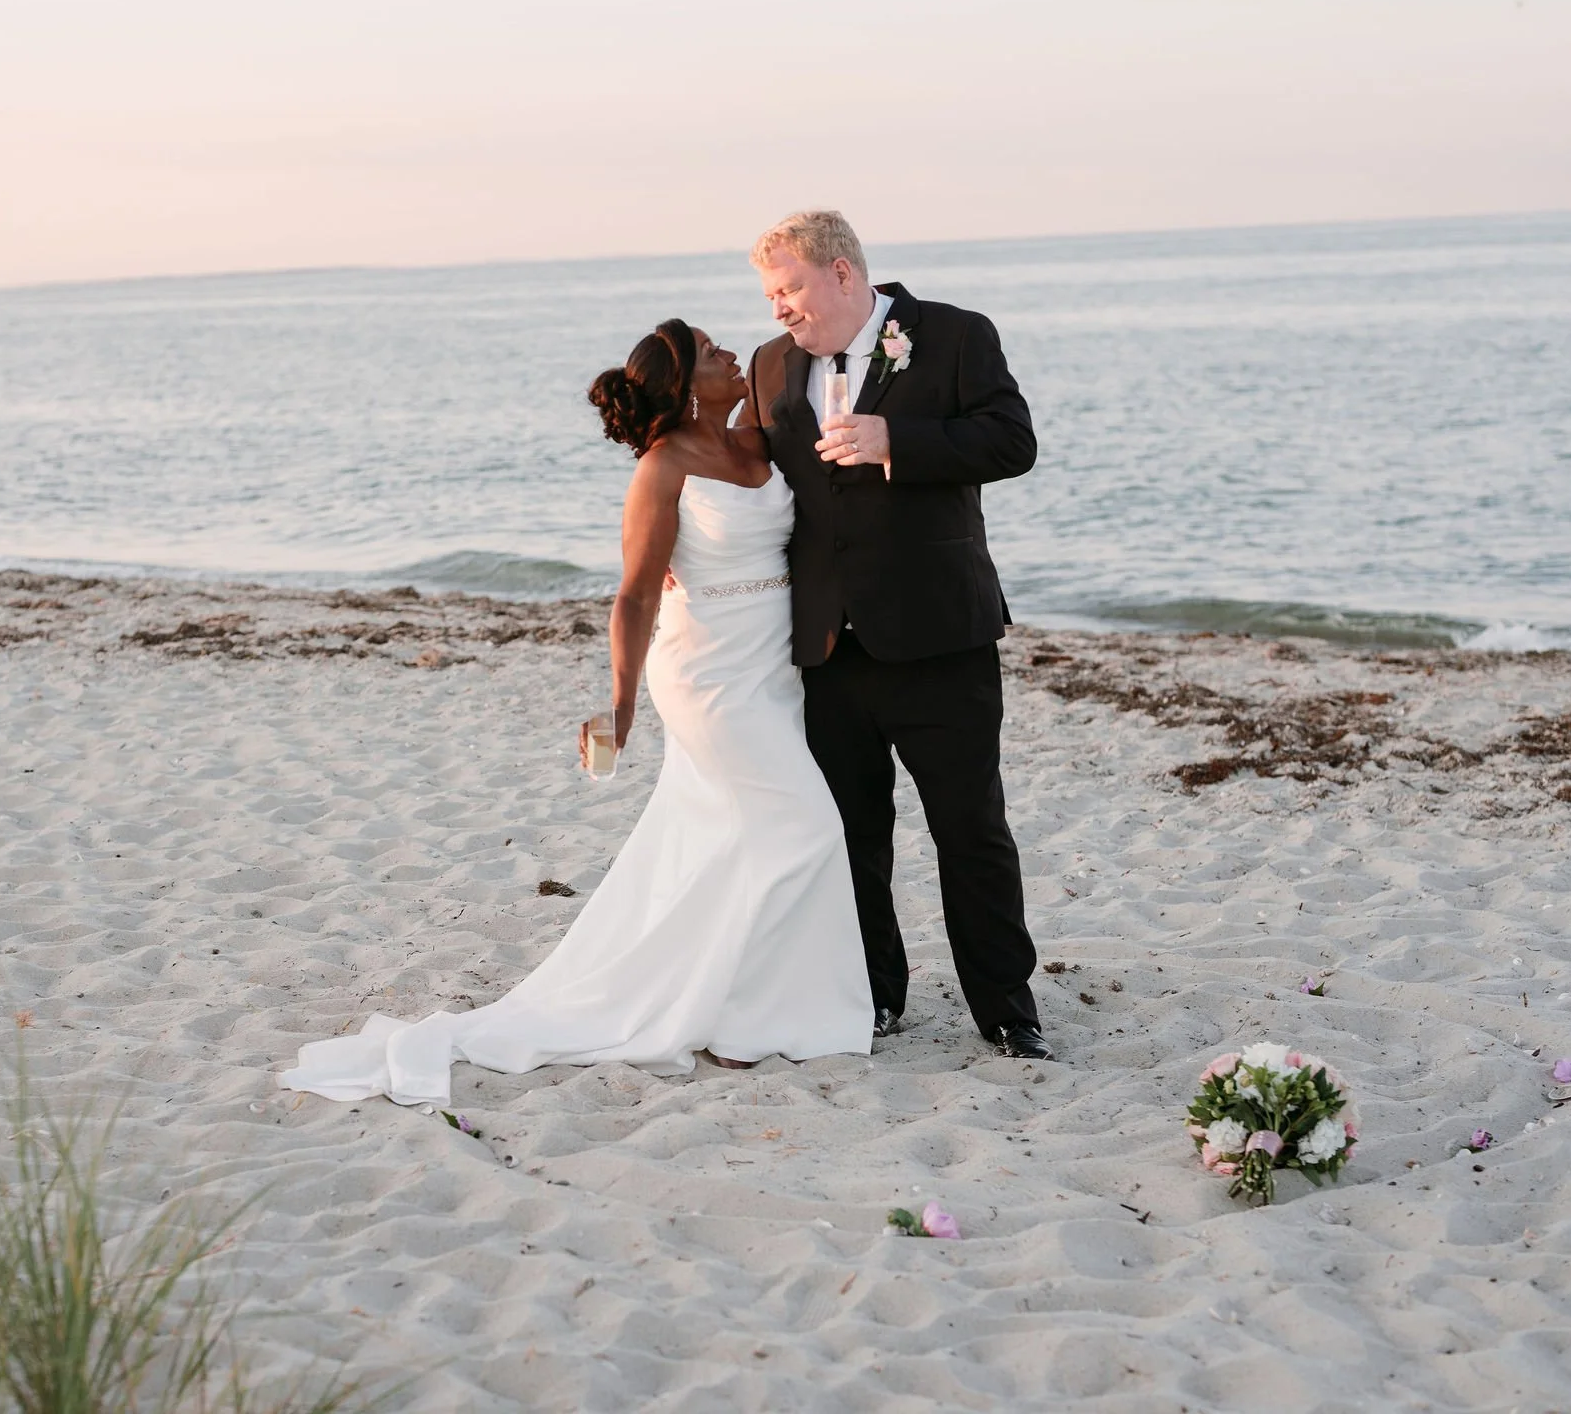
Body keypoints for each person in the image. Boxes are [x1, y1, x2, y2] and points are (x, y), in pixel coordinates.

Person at [278, 319, 872, 1106]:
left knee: (744, 836)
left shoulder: (761, 443)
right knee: (804, 826)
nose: (730, 352)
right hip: (706, 675)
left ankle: (750, 1004)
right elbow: (633, 593)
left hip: (773, 664)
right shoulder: (663, 469)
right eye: (708, 350)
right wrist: (622, 706)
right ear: (686, 385)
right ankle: (741, 1019)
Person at [747, 210, 1052, 1060]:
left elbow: (1013, 441)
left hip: (939, 637)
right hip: (825, 649)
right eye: (771, 294)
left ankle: (1006, 1009)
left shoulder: (953, 336)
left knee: (971, 830)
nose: (780, 309)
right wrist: (680, 547)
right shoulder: (772, 366)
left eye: (791, 287)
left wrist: (897, 441)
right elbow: (755, 482)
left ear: (842, 273)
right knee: (850, 837)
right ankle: (874, 998)